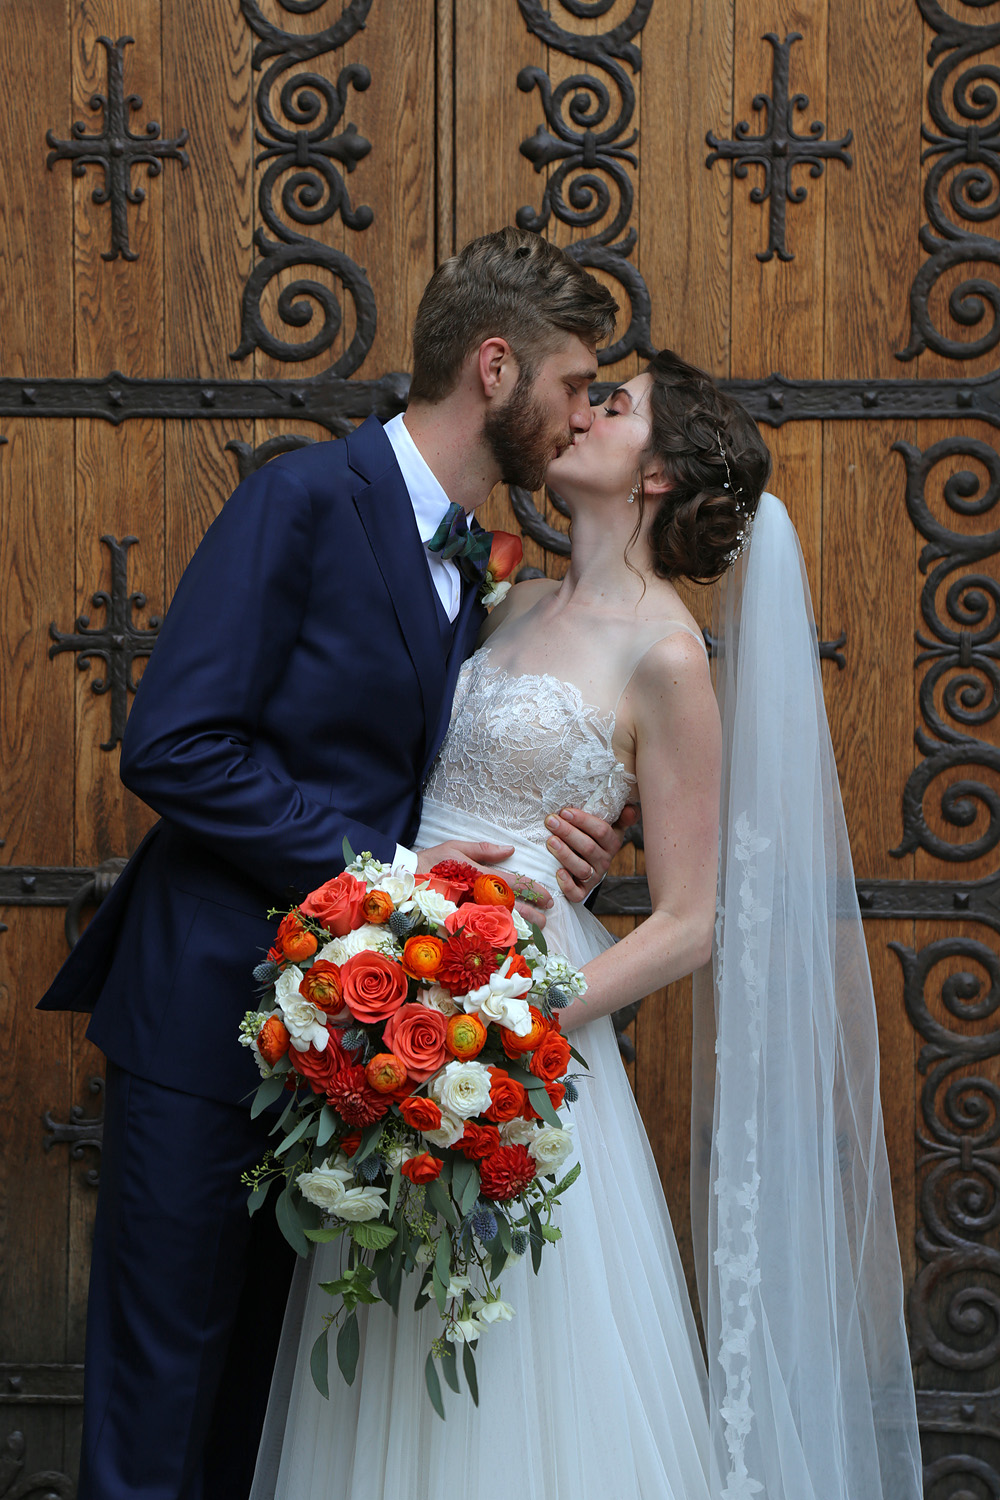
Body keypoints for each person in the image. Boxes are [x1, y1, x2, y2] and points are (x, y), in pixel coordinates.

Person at [250, 350, 923, 1500]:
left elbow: (694, 919)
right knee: (396, 1331)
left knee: (514, 1353)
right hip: (404, 983)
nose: (582, 411)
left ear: (656, 475)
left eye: (614, 406)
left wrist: (519, 1010)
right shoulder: (503, 595)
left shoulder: (665, 658)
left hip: (519, 1033)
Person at [36, 227, 633, 1500]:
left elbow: (453, 755)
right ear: (495, 366)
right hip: (208, 1012)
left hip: (345, 1053)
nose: (584, 412)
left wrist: (576, 819)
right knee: (160, 1406)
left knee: (259, 1407)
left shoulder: (479, 562)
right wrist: (392, 865)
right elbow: (176, 744)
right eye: (576, 382)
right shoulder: (302, 500)